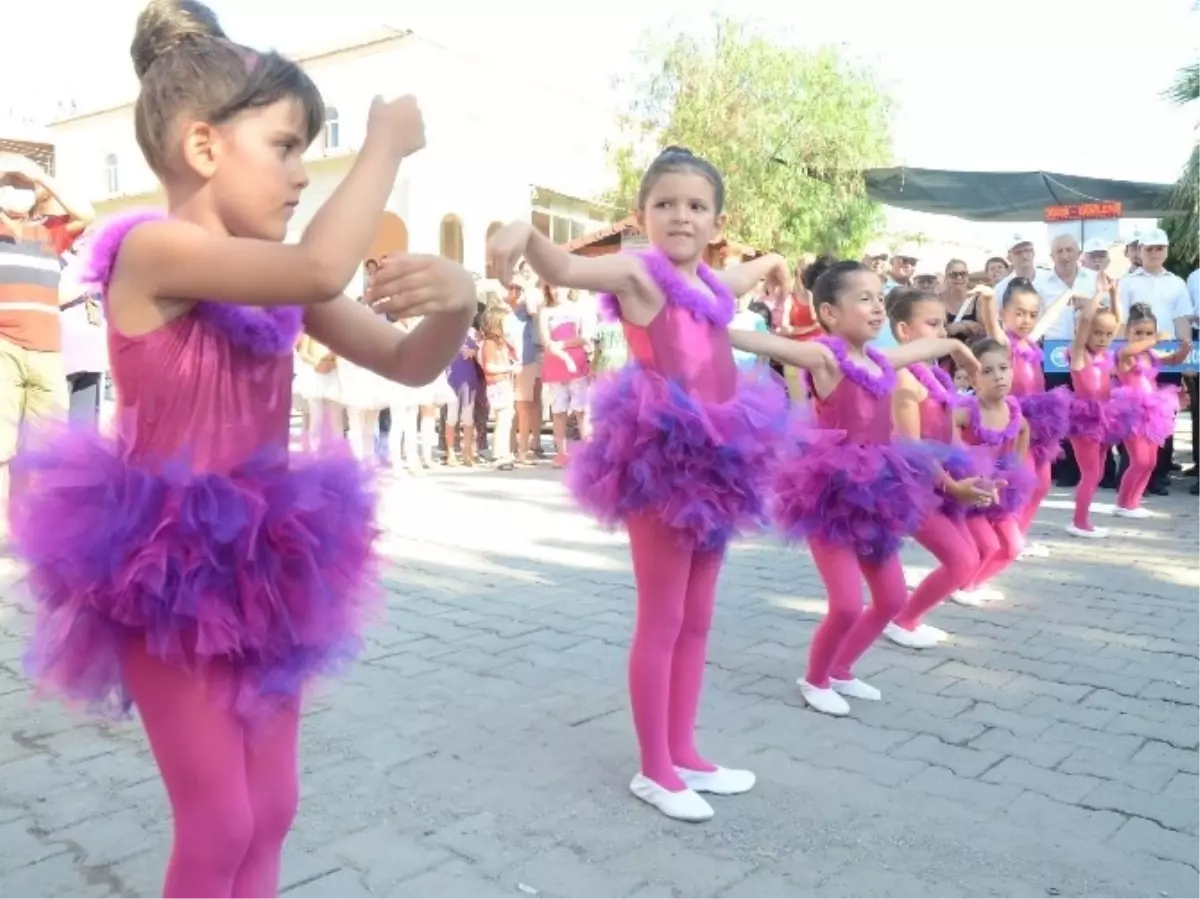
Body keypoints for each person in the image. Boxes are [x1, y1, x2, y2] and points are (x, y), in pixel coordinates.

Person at [8, 3, 474, 897]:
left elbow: (411, 363)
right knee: (218, 818)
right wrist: (379, 143)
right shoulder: (152, 250)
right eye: (288, 145)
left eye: (311, 148)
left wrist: (456, 300)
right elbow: (316, 269)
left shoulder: (274, 276)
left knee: (274, 805)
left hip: (268, 561)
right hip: (161, 569)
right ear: (205, 148)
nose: (303, 171)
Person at [487, 146, 791, 823]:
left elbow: (742, 276)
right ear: (641, 214)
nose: (680, 216)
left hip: (722, 458)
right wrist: (524, 233)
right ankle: (654, 767)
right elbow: (565, 265)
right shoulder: (637, 274)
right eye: (665, 204)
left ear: (716, 220)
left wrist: (773, 263)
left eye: (695, 206)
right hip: (663, 457)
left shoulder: (713, 282)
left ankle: (684, 749)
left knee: (700, 615)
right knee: (663, 615)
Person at [730, 261, 979, 717]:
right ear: (829, 312)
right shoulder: (827, 358)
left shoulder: (881, 360)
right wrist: (715, 328)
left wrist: (955, 348)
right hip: (833, 493)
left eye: (880, 299)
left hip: (880, 492)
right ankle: (815, 678)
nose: (877, 308)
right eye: (863, 298)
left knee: (891, 598)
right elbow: (772, 343)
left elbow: (921, 348)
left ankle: (842, 668)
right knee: (846, 603)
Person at [880, 288, 992, 649]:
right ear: (903, 331)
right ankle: (903, 620)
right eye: (932, 324)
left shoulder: (937, 377)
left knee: (971, 556)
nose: (942, 332)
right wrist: (951, 485)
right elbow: (911, 446)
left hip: (943, 482)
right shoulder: (903, 379)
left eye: (943, 324)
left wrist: (972, 469)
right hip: (916, 486)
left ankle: (909, 617)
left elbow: (948, 432)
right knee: (960, 561)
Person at [973, 278, 1075, 560]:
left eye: (1032, 314)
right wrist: (988, 298)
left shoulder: (1030, 341)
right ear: (1005, 313)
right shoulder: (1004, 343)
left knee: (1041, 486)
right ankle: (1004, 535)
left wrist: (1070, 293)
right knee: (1021, 481)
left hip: (1042, 424)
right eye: (1019, 313)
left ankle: (1020, 535)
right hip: (1017, 424)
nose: (1026, 320)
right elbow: (992, 327)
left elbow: (1051, 315)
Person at [953, 339, 1036, 602]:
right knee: (988, 545)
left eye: (1003, 368)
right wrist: (961, 459)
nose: (998, 376)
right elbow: (943, 428)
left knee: (1013, 546)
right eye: (987, 371)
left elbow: (1023, 429)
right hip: (973, 490)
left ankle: (975, 582)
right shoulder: (968, 410)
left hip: (1000, 486)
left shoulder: (1012, 408)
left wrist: (1015, 465)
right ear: (973, 378)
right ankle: (964, 586)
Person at [1109, 303, 1189, 517]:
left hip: (1153, 412)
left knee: (1151, 461)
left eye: (1148, 333)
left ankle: (1133, 502)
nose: (1143, 337)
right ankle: (1122, 502)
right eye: (1138, 333)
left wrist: (1184, 349)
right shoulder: (1124, 353)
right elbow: (1129, 350)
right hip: (1131, 412)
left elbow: (1172, 360)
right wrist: (1155, 338)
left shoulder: (1150, 354)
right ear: (1127, 333)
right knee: (1139, 460)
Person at [1064, 283, 1122, 538]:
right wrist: (1099, 292)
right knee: (1089, 473)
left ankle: (1082, 518)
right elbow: (1087, 317)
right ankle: (1079, 522)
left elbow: (1117, 320)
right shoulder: (1079, 355)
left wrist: (1114, 294)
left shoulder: (1105, 355)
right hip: (1084, 421)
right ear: (1084, 332)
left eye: (1107, 335)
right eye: (1097, 333)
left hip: (1104, 420)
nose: (1102, 338)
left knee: (1097, 473)